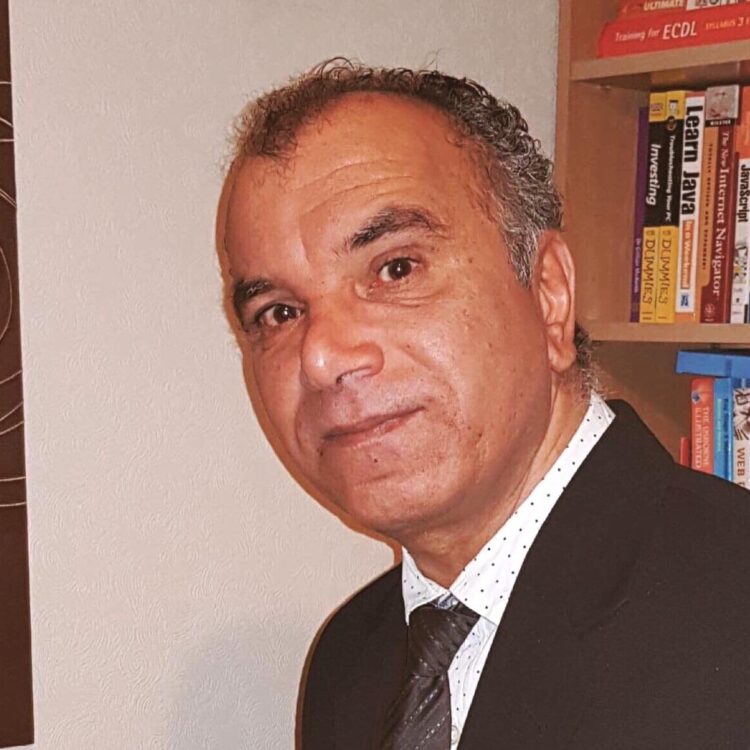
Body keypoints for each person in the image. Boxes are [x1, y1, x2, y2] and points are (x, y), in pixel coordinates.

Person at [221, 60, 750, 749]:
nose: (322, 356)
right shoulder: (349, 663)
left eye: (396, 269)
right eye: (278, 312)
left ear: (549, 294)